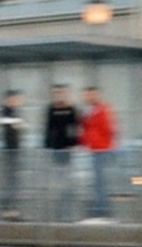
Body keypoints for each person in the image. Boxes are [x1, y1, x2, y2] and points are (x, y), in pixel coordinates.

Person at [80, 86, 119, 221]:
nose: (88, 98)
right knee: (98, 181)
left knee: (101, 181)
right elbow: (86, 129)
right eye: (87, 95)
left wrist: (104, 144)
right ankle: (100, 208)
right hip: (95, 149)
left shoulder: (102, 110)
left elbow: (108, 129)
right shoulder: (89, 111)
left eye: (90, 95)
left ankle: (102, 209)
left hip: (102, 150)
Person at [43, 85, 81, 220]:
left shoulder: (71, 108)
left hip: (67, 148)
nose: (59, 96)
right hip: (56, 148)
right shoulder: (51, 108)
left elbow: (75, 127)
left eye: (62, 93)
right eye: (57, 93)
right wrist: (47, 145)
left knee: (67, 177)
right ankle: (59, 205)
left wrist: (74, 144)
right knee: (58, 178)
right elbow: (48, 128)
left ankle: (67, 204)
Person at [0, 89, 25, 220]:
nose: (18, 102)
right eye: (16, 99)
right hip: (8, 150)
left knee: (13, 181)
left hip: (14, 150)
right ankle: (7, 209)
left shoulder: (14, 112)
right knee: (9, 181)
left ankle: (12, 208)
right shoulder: (5, 111)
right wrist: (17, 123)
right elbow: (2, 121)